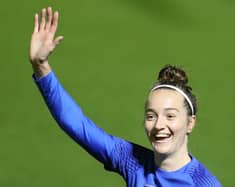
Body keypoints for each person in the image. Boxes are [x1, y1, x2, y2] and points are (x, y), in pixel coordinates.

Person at [29, 7, 222, 187]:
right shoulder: (131, 161)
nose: (158, 125)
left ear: (190, 122)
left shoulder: (203, 183)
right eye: (151, 115)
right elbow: (75, 123)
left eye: (170, 116)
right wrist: (41, 66)